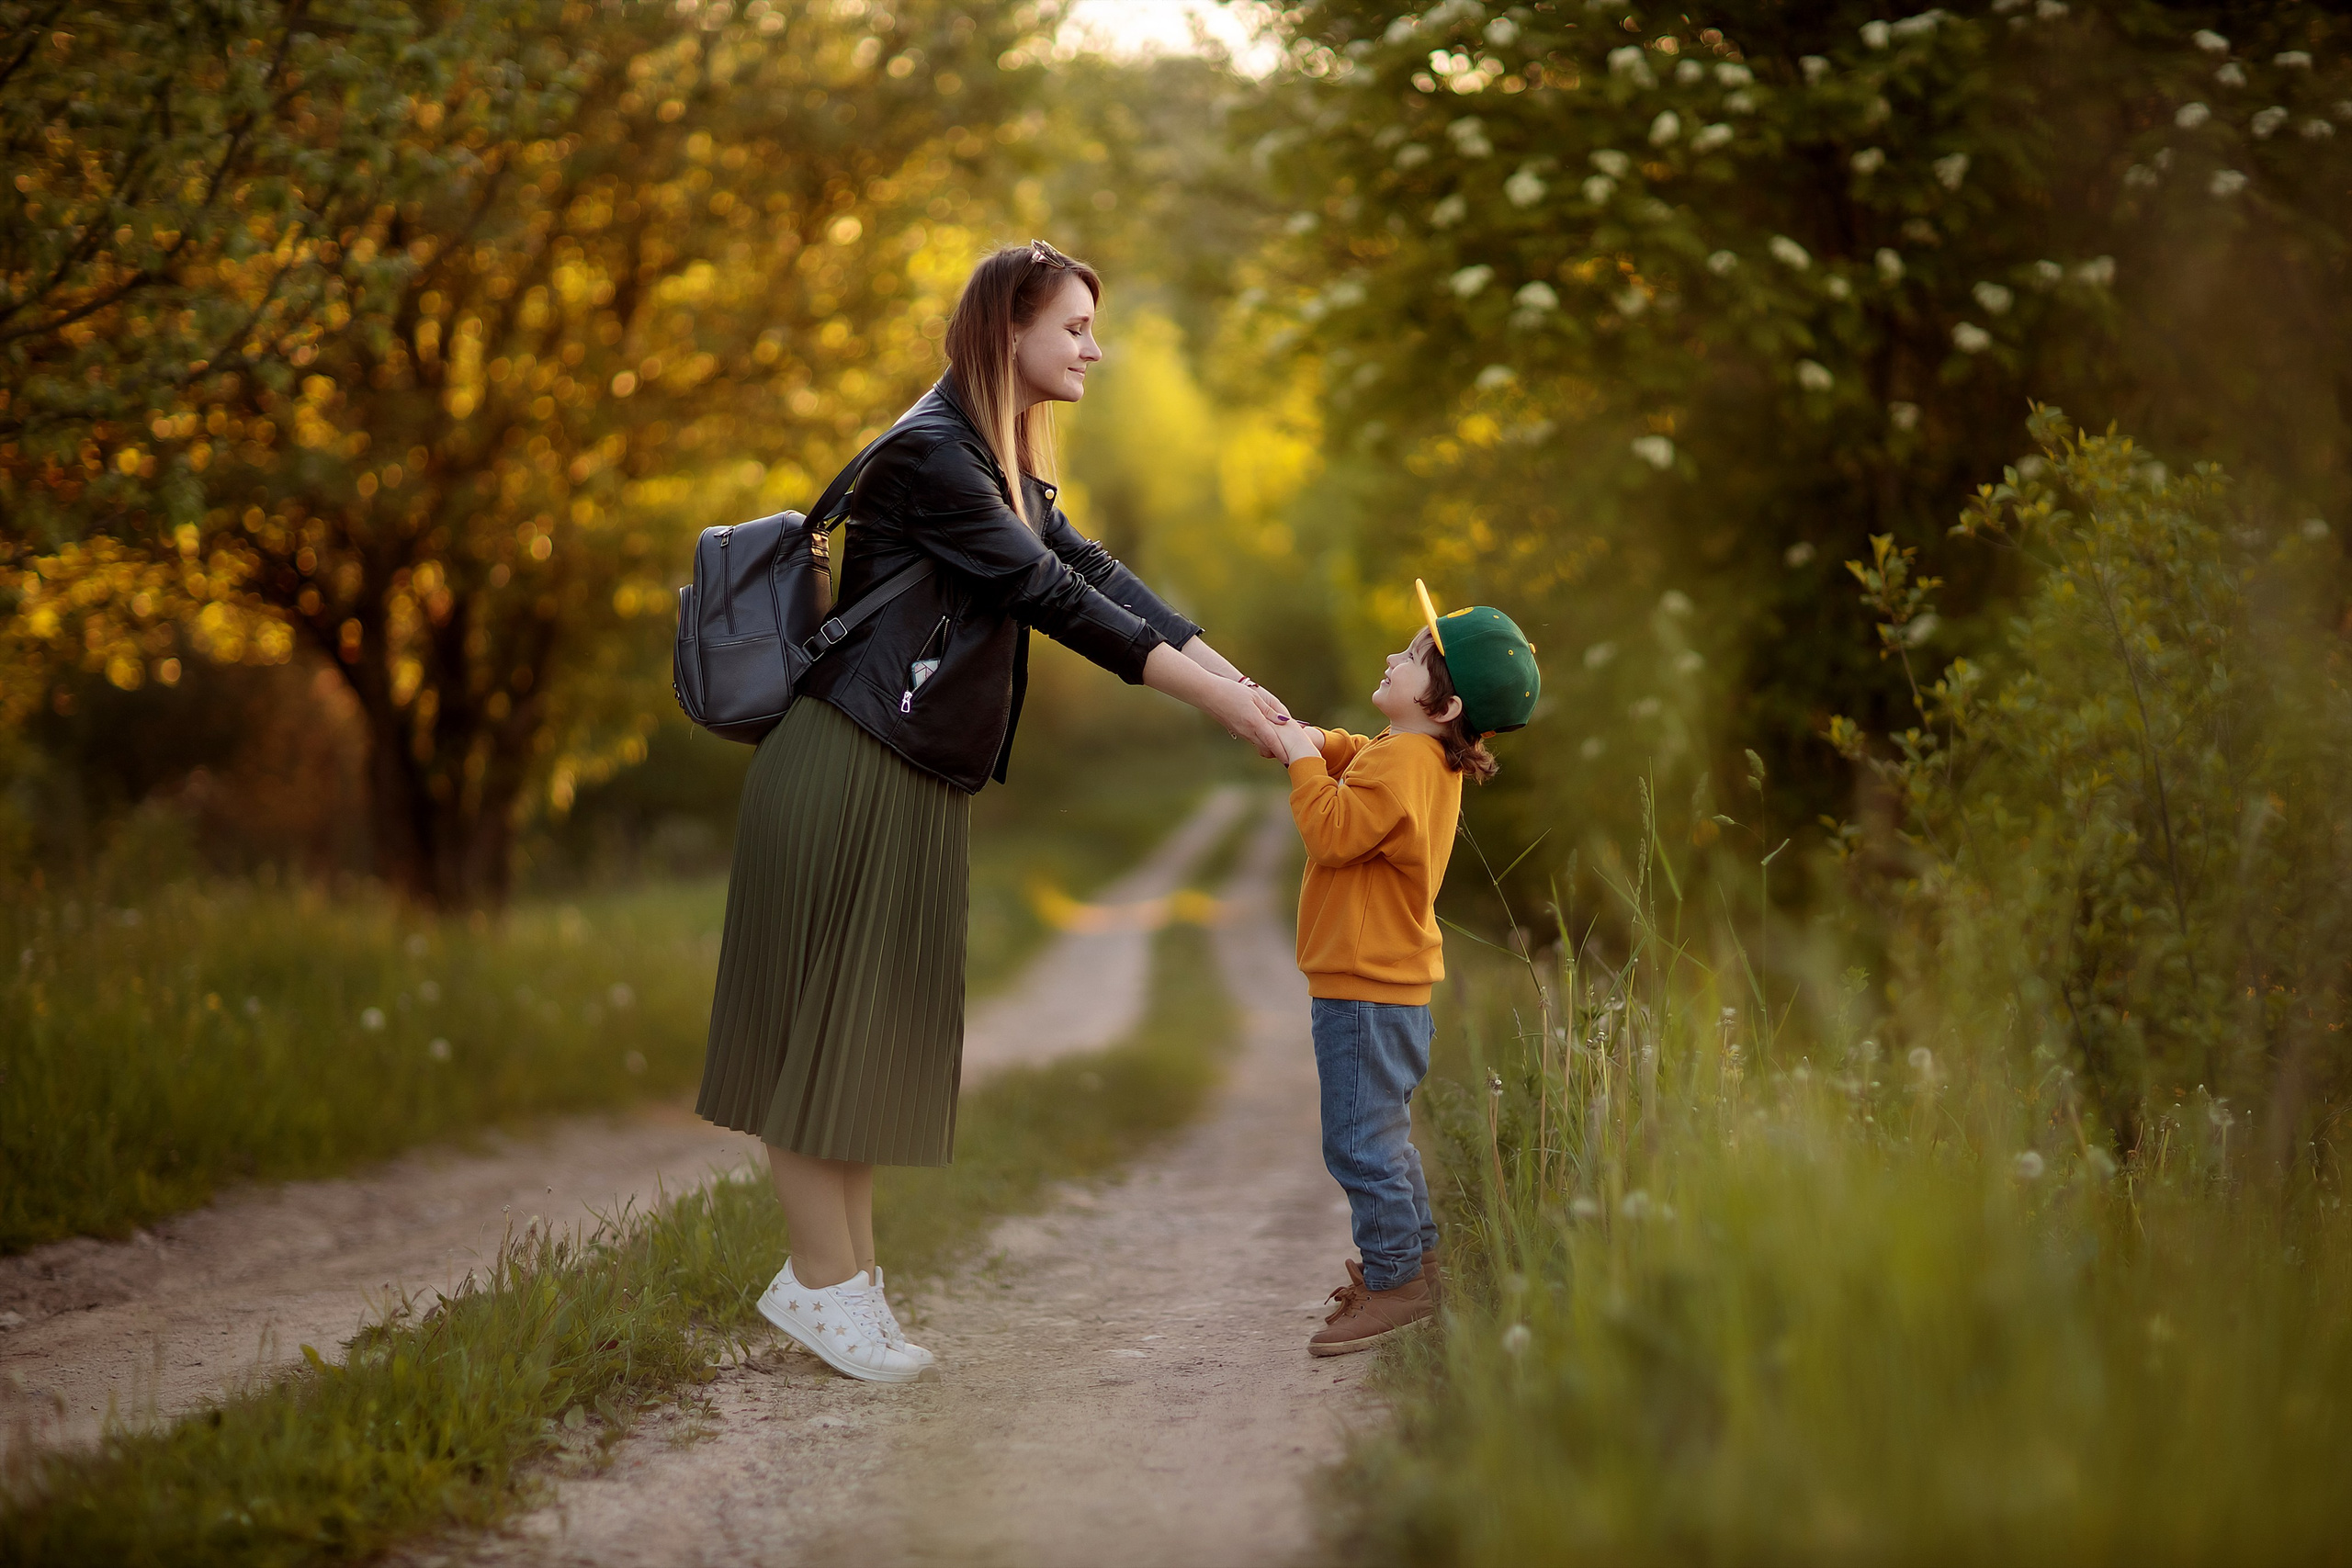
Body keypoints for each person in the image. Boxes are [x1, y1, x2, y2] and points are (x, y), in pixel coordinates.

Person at [695, 241, 1292, 1383]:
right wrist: (1223, 707)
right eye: (1072, 327)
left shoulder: (989, 460)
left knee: (862, 1040)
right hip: (847, 764)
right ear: (1003, 328)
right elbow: (1048, 597)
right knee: (821, 1027)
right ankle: (824, 1287)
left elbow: (1099, 574)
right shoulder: (930, 459)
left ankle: (839, 1289)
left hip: (904, 769)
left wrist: (1236, 682)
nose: (1092, 348)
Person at [1271, 583, 1540, 1357]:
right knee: (1382, 1134)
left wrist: (1297, 763)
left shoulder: (1405, 768)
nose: (1396, 655)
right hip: (1389, 986)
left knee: (1360, 1142)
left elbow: (1332, 829)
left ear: (1445, 705)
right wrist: (1311, 740)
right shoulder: (1420, 755)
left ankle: (1397, 1286)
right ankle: (1419, 1263)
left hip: (1362, 987)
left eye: (1416, 656)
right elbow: (1362, 755)